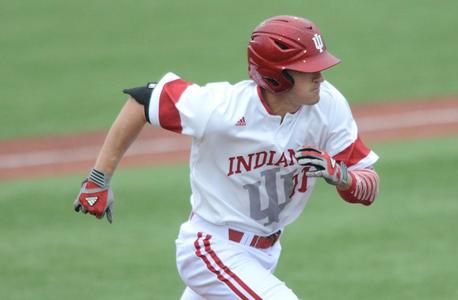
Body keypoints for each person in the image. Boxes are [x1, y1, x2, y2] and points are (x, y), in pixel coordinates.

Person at [74, 15, 380, 299]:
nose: (320, 77)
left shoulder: (328, 106)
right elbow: (142, 100)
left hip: (264, 253)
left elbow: (369, 185)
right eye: (309, 69)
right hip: (210, 246)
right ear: (277, 76)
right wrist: (100, 178)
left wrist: (343, 176)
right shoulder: (222, 108)